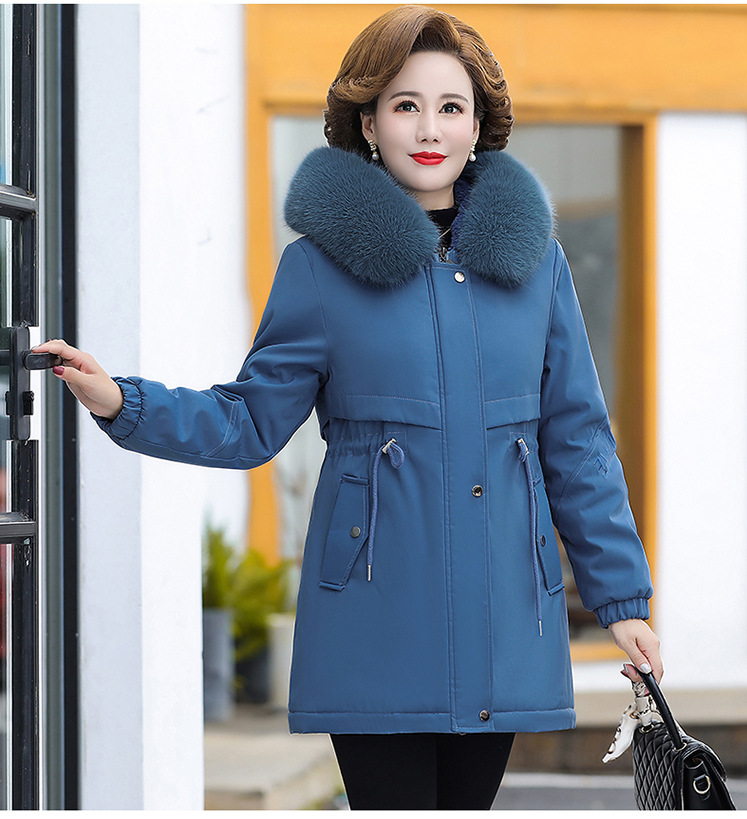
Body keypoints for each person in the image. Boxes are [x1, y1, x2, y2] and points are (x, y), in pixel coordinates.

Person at [35, 5, 662, 810]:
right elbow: (249, 420)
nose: (429, 128)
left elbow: (579, 444)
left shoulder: (537, 268)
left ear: (478, 126)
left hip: (507, 614)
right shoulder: (320, 270)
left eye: (450, 106)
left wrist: (622, 600)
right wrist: (122, 400)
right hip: (373, 614)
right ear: (369, 122)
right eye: (405, 105)